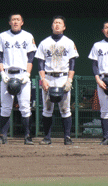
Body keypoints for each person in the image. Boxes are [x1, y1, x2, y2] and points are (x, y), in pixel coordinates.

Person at [0, 14, 37, 145]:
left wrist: (28, 74)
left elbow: (31, 56)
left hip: (22, 73)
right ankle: (2, 136)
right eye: (13, 20)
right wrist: (2, 73)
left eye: (18, 20)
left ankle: (27, 136)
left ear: (22, 22)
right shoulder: (2, 36)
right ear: (9, 22)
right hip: (7, 74)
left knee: (25, 107)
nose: (15, 22)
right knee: (5, 107)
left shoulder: (28, 36)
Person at [35, 15, 78, 145]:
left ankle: (67, 137)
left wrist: (69, 80)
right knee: (47, 109)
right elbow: (40, 63)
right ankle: (47, 137)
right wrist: (43, 80)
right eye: (55, 23)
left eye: (59, 23)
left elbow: (72, 62)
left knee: (65, 109)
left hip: (63, 77)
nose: (57, 25)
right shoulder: (44, 42)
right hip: (48, 77)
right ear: (52, 26)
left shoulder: (69, 42)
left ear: (64, 27)